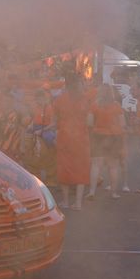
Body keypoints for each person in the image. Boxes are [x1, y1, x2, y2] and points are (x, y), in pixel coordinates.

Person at [51, 74, 91, 211]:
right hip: (81, 138)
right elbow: (90, 121)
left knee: (64, 168)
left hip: (65, 137)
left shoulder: (60, 100)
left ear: (66, 85)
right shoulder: (86, 99)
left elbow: (54, 121)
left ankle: (66, 201)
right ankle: (78, 203)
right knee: (81, 168)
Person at [86, 85, 126, 200]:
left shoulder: (95, 105)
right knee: (113, 167)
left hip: (98, 136)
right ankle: (113, 193)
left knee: (95, 166)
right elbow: (122, 123)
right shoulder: (117, 106)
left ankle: (92, 192)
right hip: (114, 137)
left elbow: (89, 122)